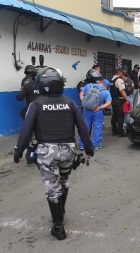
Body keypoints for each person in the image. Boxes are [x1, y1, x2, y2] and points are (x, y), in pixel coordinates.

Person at [13, 67, 94, 240]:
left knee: (52, 188)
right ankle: (60, 211)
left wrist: (18, 152)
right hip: (68, 150)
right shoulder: (70, 102)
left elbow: (26, 131)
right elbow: (83, 129)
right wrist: (89, 149)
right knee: (63, 181)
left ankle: (58, 227)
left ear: (42, 85)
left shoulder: (36, 104)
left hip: (46, 152)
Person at [79, 70, 112, 151]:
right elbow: (109, 103)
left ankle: (82, 145)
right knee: (97, 127)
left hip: (86, 110)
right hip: (97, 111)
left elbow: (81, 94)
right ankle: (96, 145)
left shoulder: (88, 86)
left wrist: (84, 103)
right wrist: (100, 108)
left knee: (85, 127)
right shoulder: (105, 91)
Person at [110, 68, 129, 136]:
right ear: (119, 72)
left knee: (114, 115)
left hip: (113, 100)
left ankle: (114, 131)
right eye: (122, 72)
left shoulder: (112, 79)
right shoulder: (119, 80)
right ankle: (121, 132)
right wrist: (127, 99)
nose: (122, 74)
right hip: (119, 100)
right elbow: (122, 91)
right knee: (121, 115)